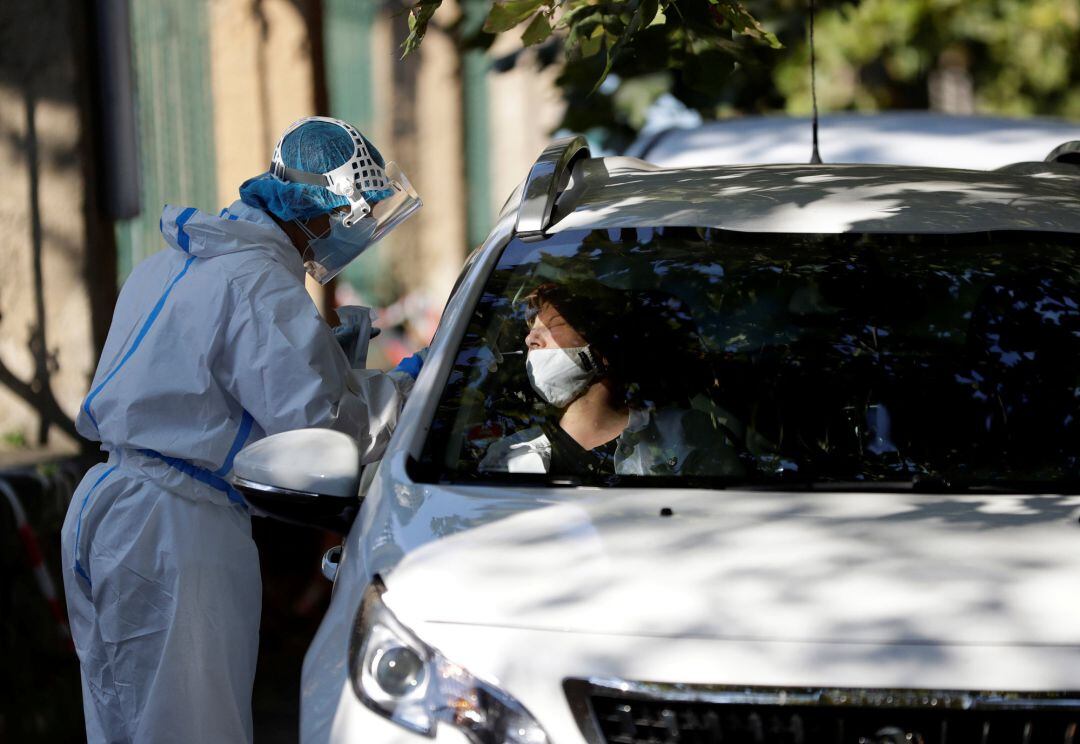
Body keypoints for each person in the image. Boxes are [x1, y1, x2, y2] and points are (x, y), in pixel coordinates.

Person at [60, 116, 423, 744]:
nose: (349, 235)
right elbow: (325, 429)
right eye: (352, 218)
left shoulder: (175, 261)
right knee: (192, 729)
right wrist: (407, 386)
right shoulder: (258, 283)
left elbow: (200, 389)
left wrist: (325, 360)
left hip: (107, 506)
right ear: (321, 211)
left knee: (122, 722)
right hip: (176, 530)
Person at [480, 282, 744, 477]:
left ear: (602, 347)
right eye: (531, 331)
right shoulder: (508, 458)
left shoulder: (685, 434)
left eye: (553, 325)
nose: (530, 339)